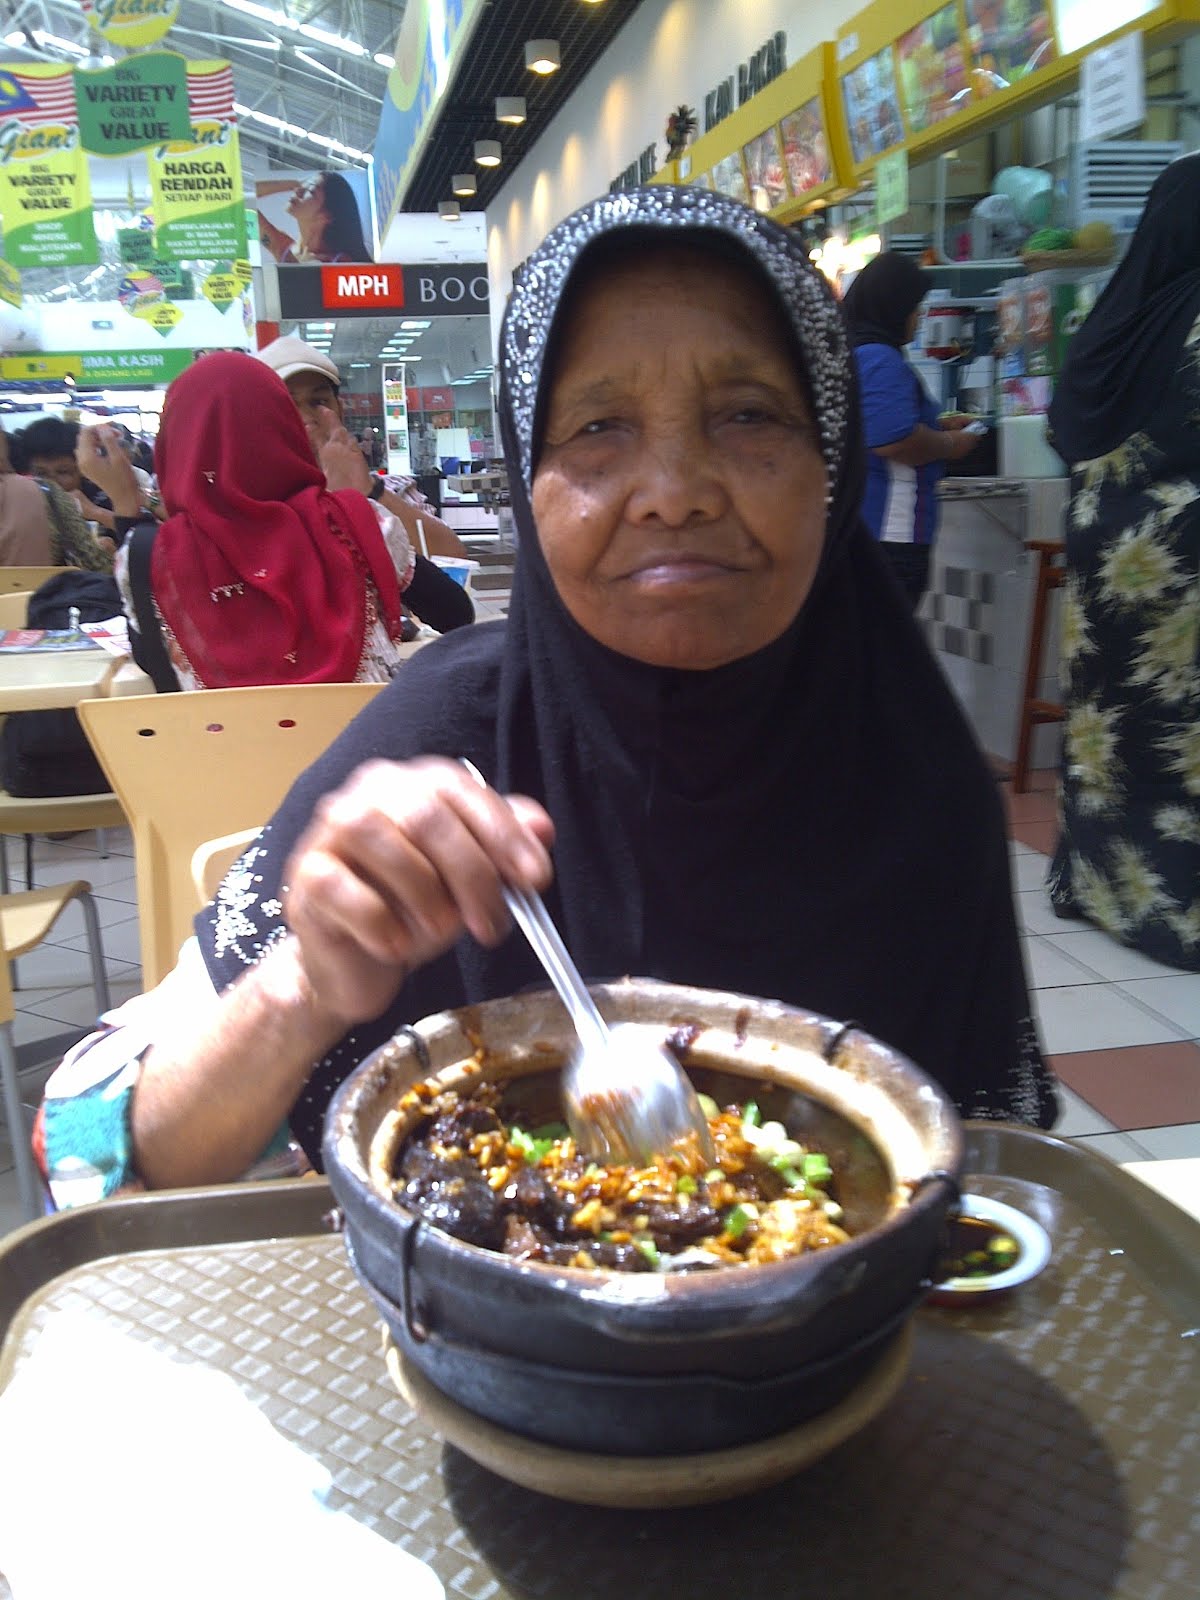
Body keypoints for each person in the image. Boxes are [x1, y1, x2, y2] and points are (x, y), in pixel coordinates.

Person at [37, 187, 1057, 1206]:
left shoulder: (919, 780)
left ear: (830, 462)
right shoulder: (443, 746)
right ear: (530, 476)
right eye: (598, 426)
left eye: (748, 415)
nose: (674, 491)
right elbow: (87, 1150)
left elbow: (990, 1193)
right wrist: (301, 987)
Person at [74, 352, 467, 694]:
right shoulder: (355, 521)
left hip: (226, 756)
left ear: (176, 444)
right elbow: (455, 615)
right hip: (363, 753)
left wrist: (126, 506)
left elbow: (154, 663)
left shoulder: (151, 556)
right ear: (283, 428)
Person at [1044, 153, 1200, 971]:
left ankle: (1097, 884)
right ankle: (1173, 911)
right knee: (1180, 733)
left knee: (1103, 728)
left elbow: (1064, 430)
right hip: (1183, 568)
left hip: (1101, 561)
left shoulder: (1110, 323)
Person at [843, 252, 980, 607]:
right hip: (890, 535)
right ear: (892, 307)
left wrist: (936, 424)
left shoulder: (852, 355)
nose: (919, 318)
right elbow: (893, 440)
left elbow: (870, 425)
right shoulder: (879, 359)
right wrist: (951, 443)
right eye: (914, 308)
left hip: (865, 533)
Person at [253, 336, 470, 561]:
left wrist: (368, 492)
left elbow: (454, 560)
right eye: (287, 405)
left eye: (318, 402)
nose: (306, 418)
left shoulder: (394, 490)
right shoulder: (253, 505)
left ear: (339, 409)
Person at [0, 429, 113, 571]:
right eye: (40, 473)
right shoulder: (45, 494)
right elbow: (98, 565)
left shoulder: (104, 494)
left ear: (81, 470)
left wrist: (97, 513)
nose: (52, 480)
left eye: (63, 472)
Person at [256, 173, 372, 265]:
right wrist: (295, 183)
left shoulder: (338, 262)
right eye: (302, 187)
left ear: (327, 216)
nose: (298, 191)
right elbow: (246, 197)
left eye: (311, 191)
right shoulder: (284, 250)